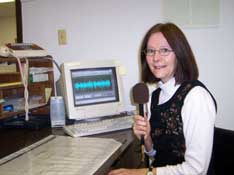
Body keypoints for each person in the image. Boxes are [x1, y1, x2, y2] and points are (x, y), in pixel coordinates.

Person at [108, 22, 217, 175]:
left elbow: (196, 170)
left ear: (179, 54)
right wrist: (147, 139)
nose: (156, 58)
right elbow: (156, 156)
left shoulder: (196, 97)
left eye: (164, 50)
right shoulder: (155, 96)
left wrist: (140, 173)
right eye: (151, 51)